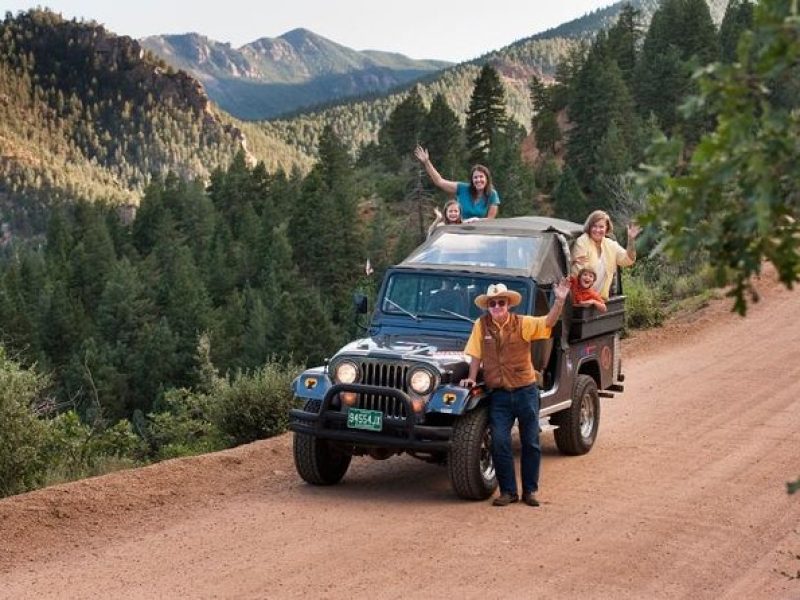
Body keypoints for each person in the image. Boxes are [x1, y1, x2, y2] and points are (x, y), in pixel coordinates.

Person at [460, 279, 570, 507]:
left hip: (526, 391)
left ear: (508, 304)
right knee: (500, 442)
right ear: (487, 306)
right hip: (499, 394)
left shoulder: (523, 323)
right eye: (493, 303)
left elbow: (548, 322)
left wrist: (559, 300)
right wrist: (471, 377)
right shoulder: (481, 325)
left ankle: (530, 491)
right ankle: (508, 491)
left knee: (530, 442)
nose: (497, 306)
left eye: (501, 302)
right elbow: (475, 354)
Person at [414, 145, 500, 220]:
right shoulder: (463, 188)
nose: (478, 180)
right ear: (472, 180)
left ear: (487, 179)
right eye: (475, 177)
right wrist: (426, 162)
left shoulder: (492, 195)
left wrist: (475, 220)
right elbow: (440, 181)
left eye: (481, 177)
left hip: (478, 232)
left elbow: (490, 219)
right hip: (458, 229)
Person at [571, 210, 641, 299]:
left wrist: (631, 239)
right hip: (582, 297)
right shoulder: (582, 242)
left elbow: (629, 260)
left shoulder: (610, 244)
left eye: (601, 227)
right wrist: (590, 298)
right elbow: (579, 274)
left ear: (606, 228)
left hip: (600, 298)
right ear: (589, 227)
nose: (597, 230)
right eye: (594, 226)